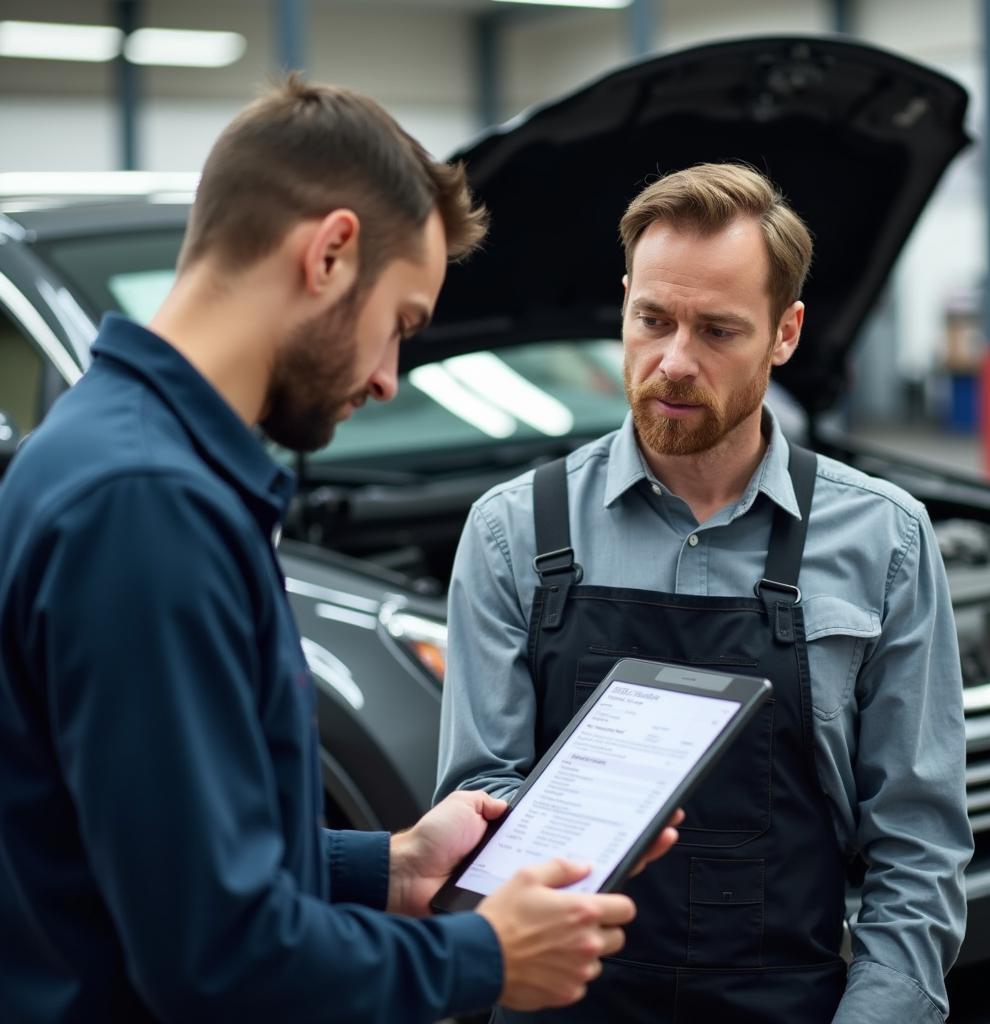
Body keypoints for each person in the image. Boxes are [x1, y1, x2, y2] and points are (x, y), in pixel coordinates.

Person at [0, 77, 681, 1024]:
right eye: (400, 324)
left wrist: (393, 865)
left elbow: (160, 837)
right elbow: (217, 959)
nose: (391, 379)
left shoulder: (109, 448)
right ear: (329, 254)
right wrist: (481, 958)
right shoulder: (148, 507)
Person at [436, 162, 974, 1023]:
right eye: (652, 319)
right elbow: (479, 806)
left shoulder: (887, 541)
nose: (673, 362)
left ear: (786, 332)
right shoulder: (514, 531)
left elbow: (915, 847)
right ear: (624, 302)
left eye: (719, 331)